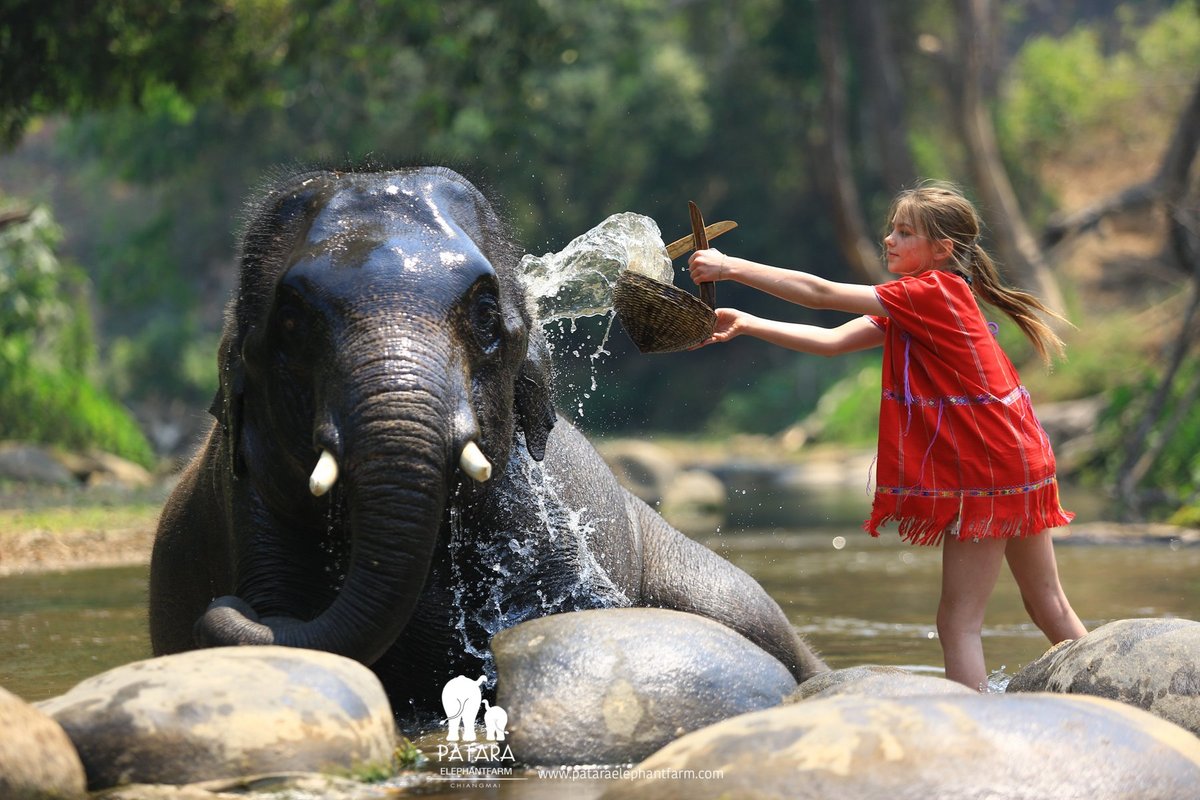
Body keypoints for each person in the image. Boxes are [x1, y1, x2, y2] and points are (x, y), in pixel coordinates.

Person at [687, 181, 1086, 691]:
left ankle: (976, 732)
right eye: (891, 230)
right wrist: (749, 322)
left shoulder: (930, 292)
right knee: (1048, 603)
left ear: (942, 249)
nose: (890, 240)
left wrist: (731, 268)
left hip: (987, 469)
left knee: (957, 622)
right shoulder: (928, 300)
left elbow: (822, 294)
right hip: (1017, 456)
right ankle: (1110, 697)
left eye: (905, 232)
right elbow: (832, 342)